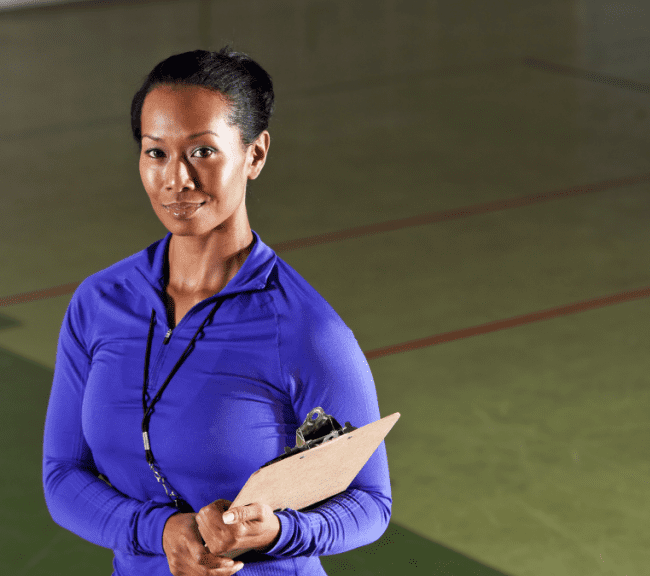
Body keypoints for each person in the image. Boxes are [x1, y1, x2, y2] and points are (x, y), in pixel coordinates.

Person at [41, 47, 392, 576]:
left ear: (255, 155)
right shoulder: (99, 303)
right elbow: (63, 475)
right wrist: (160, 532)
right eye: (155, 153)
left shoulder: (306, 329)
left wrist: (280, 533)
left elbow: (370, 503)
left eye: (202, 152)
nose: (176, 179)